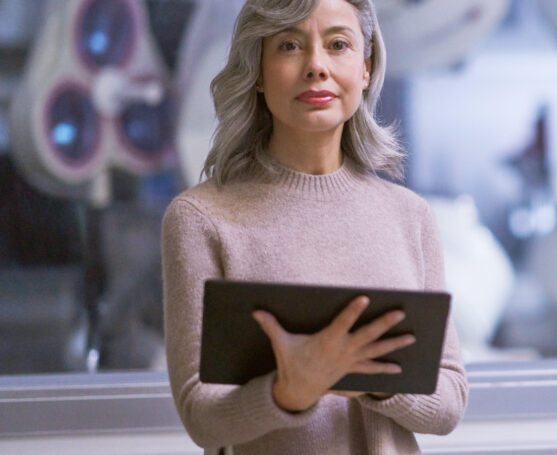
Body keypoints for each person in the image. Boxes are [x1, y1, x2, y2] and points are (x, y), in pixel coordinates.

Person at [160, 0, 468, 453]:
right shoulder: (200, 218)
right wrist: (292, 390)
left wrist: (366, 375)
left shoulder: (409, 216)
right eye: (289, 45)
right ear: (259, 72)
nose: (316, 66)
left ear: (365, 69)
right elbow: (202, 417)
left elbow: (450, 401)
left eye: (338, 44)